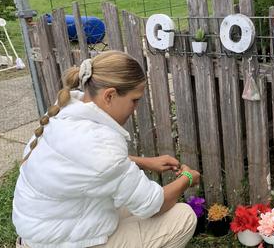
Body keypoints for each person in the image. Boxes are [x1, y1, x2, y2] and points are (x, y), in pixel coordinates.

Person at [13, 51, 200, 248]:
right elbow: (153, 205)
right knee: (183, 217)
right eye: (134, 100)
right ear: (109, 95)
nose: (135, 107)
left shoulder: (66, 108)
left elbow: (86, 161)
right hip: (57, 241)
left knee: (126, 202)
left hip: (44, 229)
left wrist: (146, 162)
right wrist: (187, 179)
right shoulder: (101, 143)